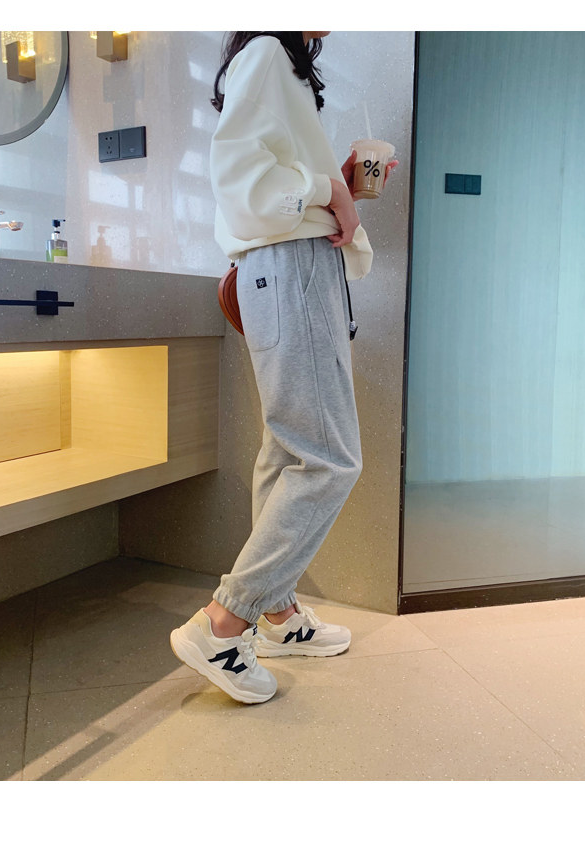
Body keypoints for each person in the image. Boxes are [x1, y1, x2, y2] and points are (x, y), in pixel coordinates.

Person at [170, 31, 397, 704]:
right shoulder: (268, 50)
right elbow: (240, 177)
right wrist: (328, 187)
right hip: (291, 268)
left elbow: (270, 171)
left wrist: (337, 183)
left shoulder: (276, 59)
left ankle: (276, 612)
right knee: (329, 457)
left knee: (288, 447)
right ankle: (224, 622)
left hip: (290, 268)